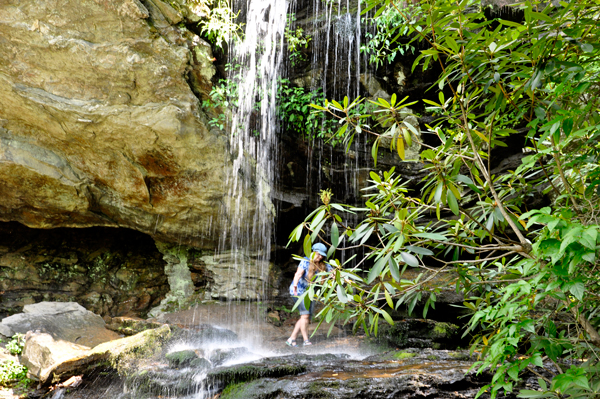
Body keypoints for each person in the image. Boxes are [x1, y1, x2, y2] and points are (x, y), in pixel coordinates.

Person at [286, 242, 332, 347]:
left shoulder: (323, 264)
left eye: (322, 255)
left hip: (310, 293)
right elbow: (298, 274)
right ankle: (306, 341)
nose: (320, 257)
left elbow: (333, 273)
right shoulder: (305, 261)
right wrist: (295, 286)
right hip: (299, 291)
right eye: (318, 254)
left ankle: (291, 339)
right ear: (313, 252)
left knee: (306, 317)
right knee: (305, 315)